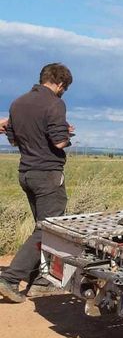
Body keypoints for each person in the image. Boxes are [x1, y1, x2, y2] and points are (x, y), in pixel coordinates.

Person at [0, 64, 74, 303]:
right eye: (64, 88)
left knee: (41, 228)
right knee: (48, 229)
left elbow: (13, 140)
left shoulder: (17, 103)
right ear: (60, 84)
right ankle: (11, 278)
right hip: (47, 173)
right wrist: (66, 134)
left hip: (26, 172)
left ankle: (41, 281)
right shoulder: (55, 103)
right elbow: (59, 142)